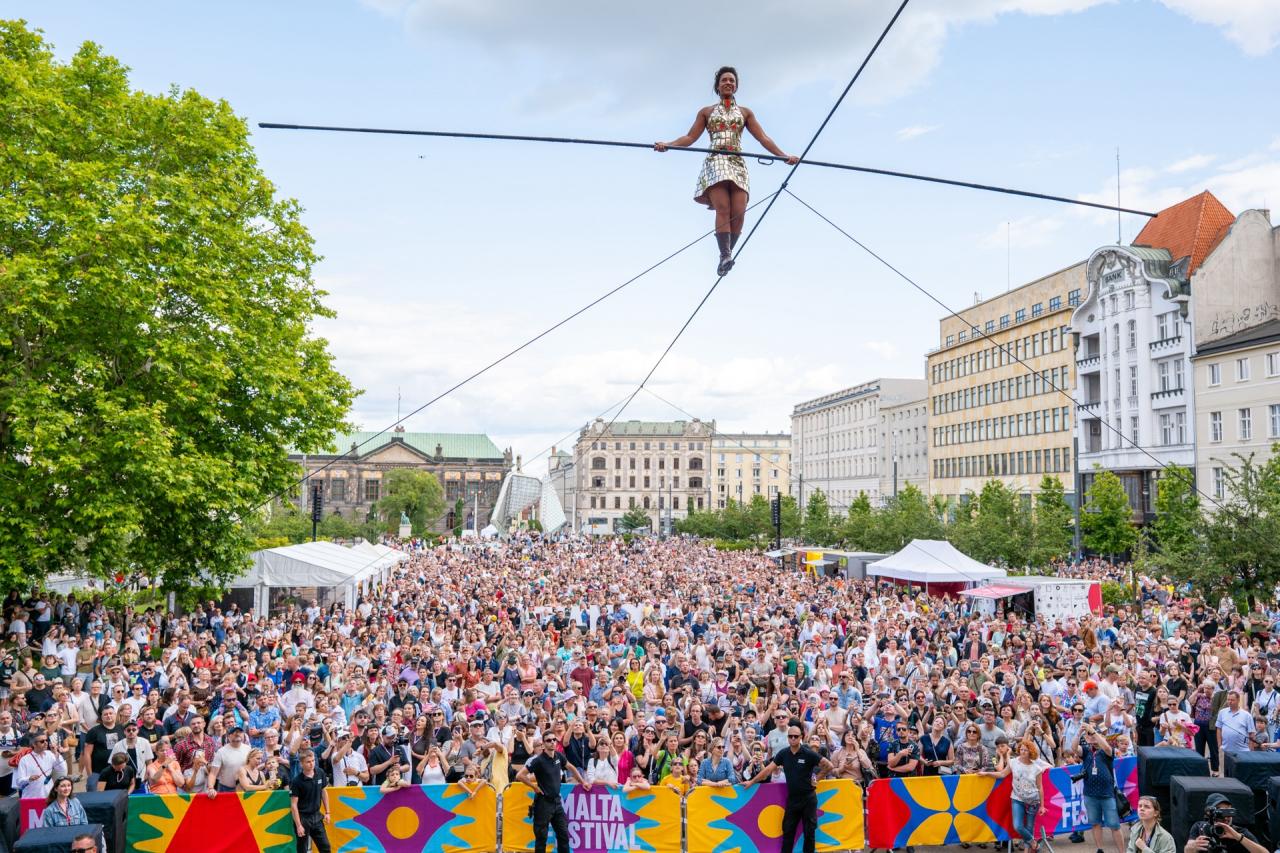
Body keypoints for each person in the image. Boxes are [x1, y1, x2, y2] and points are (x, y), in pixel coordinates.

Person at [654, 65, 798, 275]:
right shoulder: (707, 112)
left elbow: (763, 138)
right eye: (724, 80)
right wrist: (668, 144)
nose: (728, 83)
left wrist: (783, 155)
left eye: (732, 80)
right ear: (718, 86)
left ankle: (727, 253)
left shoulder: (746, 113)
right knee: (723, 208)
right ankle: (724, 256)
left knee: (739, 212)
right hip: (716, 160)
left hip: (738, 162)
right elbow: (690, 138)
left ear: (736, 86)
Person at [742, 725, 835, 853]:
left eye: (795, 736)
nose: (792, 739)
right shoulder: (783, 754)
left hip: (808, 798)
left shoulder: (808, 753)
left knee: (809, 833)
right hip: (793, 800)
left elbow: (829, 766)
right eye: (790, 736)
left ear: (801, 738)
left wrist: (817, 778)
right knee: (788, 831)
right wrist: (752, 782)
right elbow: (768, 770)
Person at [517, 735, 591, 853]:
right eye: (548, 740)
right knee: (541, 838)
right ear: (543, 744)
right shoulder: (538, 760)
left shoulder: (559, 756)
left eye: (554, 740)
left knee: (564, 836)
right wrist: (534, 787)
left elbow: (571, 767)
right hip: (543, 803)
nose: (552, 742)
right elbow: (519, 775)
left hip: (557, 802)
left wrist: (583, 782)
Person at [984, 738, 1049, 852]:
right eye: (1021, 749)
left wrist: (1042, 806)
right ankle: (1034, 843)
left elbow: (1040, 787)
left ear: (1031, 752)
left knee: (1029, 827)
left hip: (1033, 801)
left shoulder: (1037, 768)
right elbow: (1002, 773)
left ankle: (1027, 850)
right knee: (1017, 826)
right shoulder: (1013, 762)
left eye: (1025, 750)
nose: (1022, 752)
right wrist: (986, 773)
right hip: (1017, 799)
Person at [1078, 722, 1127, 853]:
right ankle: (1100, 849)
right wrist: (1079, 733)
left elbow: (1105, 746)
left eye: (1095, 734)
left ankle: (1122, 851)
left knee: (1114, 825)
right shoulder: (1086, 751)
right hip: (1090, 794)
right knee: (1095, 823)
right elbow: (1072, 748)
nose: (1092, 737)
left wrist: (1093, 732)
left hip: (1107, 794)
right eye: (1089, 735)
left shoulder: (1107, 750)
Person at [1184, 794, 1267, 853]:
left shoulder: (1238, 832)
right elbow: (1187, 850)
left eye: (1228, 811)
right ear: (1209, 813)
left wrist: (1238, 837)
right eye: (1221, 812)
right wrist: (1193, 847)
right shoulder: (1200, 827)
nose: (1226, 817)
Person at [290, 748, 331, 853]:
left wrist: (327, 812)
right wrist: (299, 825)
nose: (311, 764)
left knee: (325, 847)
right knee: (302, 849)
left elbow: (324, 792)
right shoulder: (296, 781)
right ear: (301, 763)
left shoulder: (320, 772)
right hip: (303, 818)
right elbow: (294, 805)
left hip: (317, 816)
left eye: (313, 761)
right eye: (308, 762)